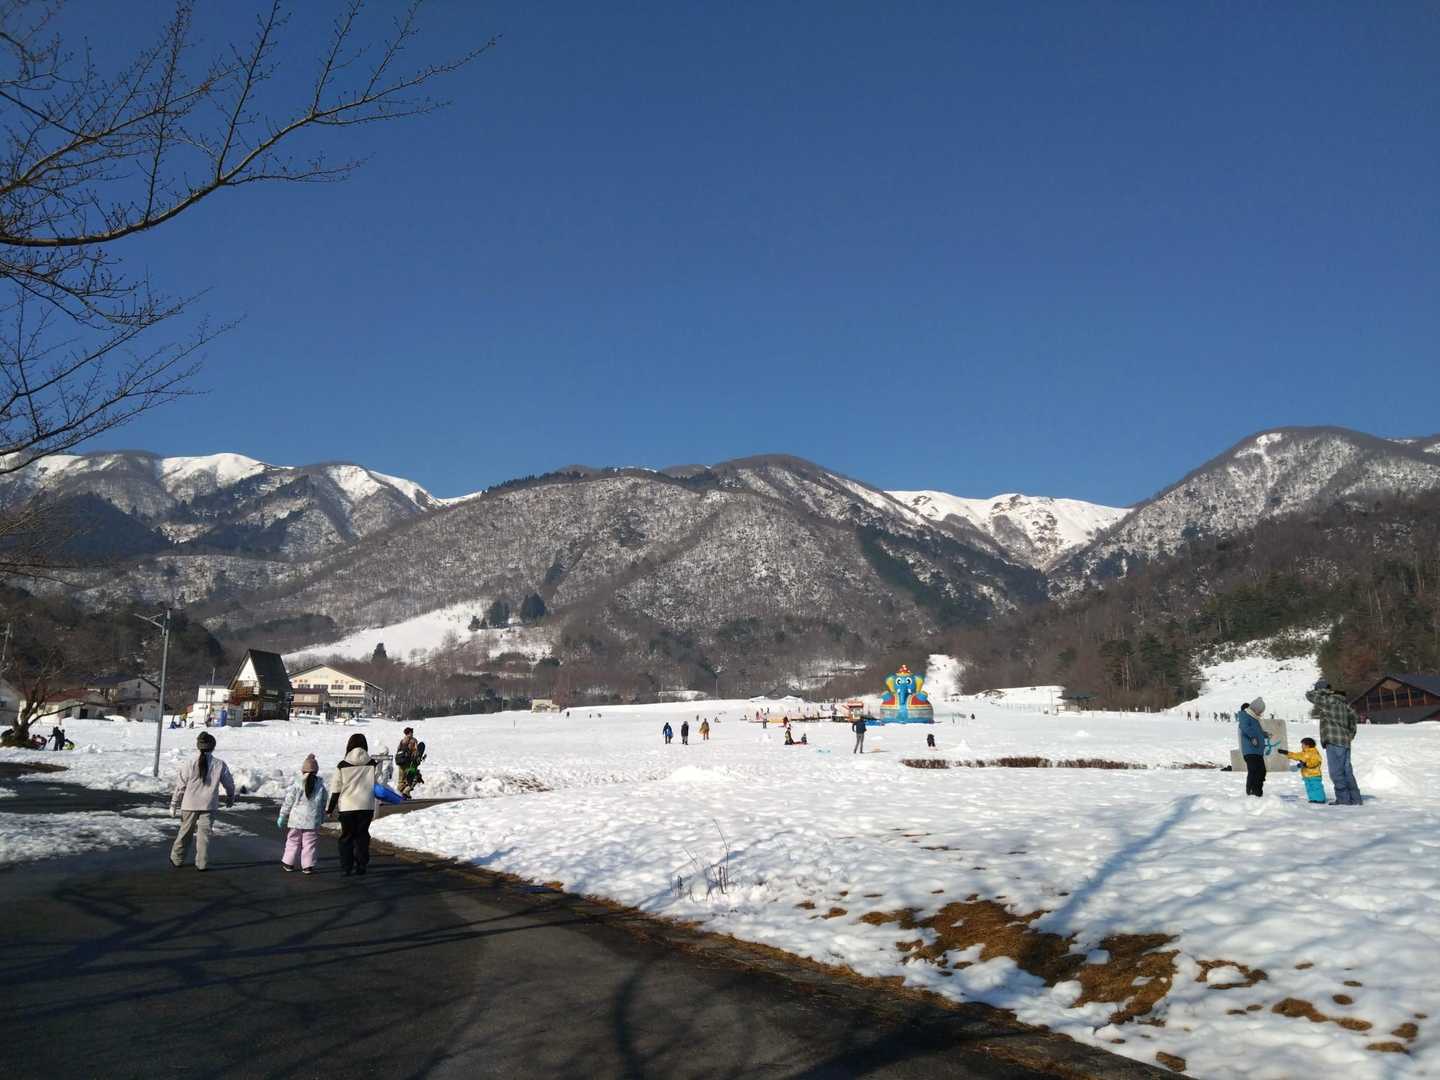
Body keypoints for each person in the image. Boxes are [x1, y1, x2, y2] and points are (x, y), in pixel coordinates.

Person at [169, 731, 235, 871]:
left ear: (198, 746)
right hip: (209, 805)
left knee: (185, 833)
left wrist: (174, 803)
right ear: (213, 747)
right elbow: (229, 783)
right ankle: (201, 863)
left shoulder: (189, 763)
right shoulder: (219, 764)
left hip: (189, 804)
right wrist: (230, 796)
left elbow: (180, 785)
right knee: (204, 837)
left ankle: (177, 858)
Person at [326, 733, 378, 877]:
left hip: (347, 806)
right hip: (366, 806)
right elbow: (377, 785)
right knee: (362, 836)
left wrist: (330, 808)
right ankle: (361, 865)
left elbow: (336, 789)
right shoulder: (372, 764)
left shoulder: (342, 765)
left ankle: (346, 867)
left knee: (347, 837)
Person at [1308, 680, 1363, 805]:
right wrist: (1349, 736)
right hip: (1345, 742)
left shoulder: (1329, 701)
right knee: (1347, 771)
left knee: (1336, 772)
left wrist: (1322, 691)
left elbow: (1310, 695)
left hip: (1333, 741)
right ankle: (1355, 798)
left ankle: (1343, 799)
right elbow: (1353, 721)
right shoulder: (1345, 704)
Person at [277, 754, 328, 873]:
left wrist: (282, 815)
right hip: (312, 821)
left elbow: (288, 801)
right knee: (309, 843)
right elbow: (323, 803)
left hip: (296, 820)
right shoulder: (320, 786)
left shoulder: (297, 784)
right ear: (316, 771)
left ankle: (288, 863)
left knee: (293, 840)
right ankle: (307, 866)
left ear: (302, 770)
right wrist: (321, 817)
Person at [1236, 697, 1268, 797]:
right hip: (1250, 750)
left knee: (1262, 771)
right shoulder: (1244, 715)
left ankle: (1258, 792)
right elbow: (1245, 727)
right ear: (1254, 709)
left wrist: (1264, 734)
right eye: (1260, 711)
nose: (1260, 713)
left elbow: (1257, 731)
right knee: (1254, 770)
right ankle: (1251, 791)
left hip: (1258, 750)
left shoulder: (1255, 719)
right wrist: (1253, 737)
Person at [1281, 738, 1326, 804]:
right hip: (1306, 775)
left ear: (1307, 745)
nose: (1301, 746)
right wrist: (1286, 753)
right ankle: (1313, 798)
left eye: (1303, 744)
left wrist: (1306, 764)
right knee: (1309, 787)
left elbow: (1316, 762)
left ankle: (1320, 799)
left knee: (1316, 787)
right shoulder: (1303, 753)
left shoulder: (1314, 753)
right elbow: (1296, 755)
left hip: (1314, 775)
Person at [396, 727, 421, 798]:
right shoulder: (414, 741)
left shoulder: (402, 741)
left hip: (401, 763)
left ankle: (398, 794)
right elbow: (416, 752)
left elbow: (398, 751)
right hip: (409, 764)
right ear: (410, 733)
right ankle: (406, 792)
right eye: (412, 732)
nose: (412, 733)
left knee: (401, 780)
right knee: (412, 777)